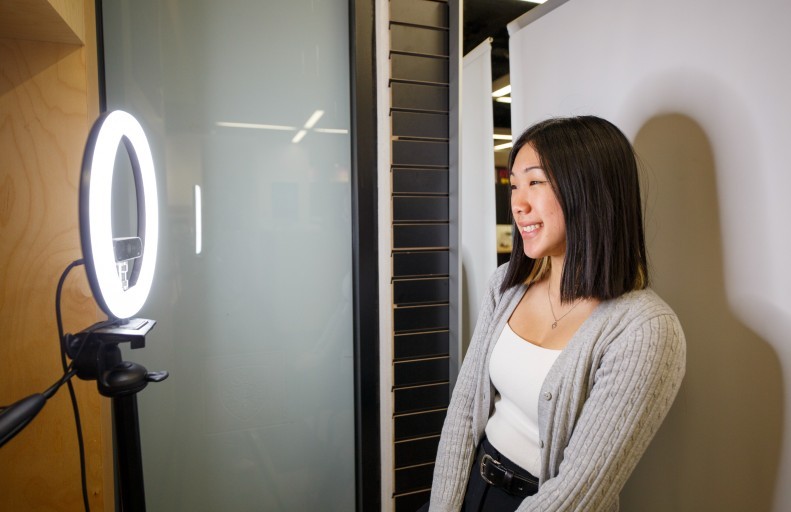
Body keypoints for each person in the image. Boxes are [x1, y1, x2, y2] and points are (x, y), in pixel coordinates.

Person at [424, 116, 686, 511]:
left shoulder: (644, 330)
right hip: (468, 490)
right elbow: (463, 416)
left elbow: (579, 492)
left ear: (589, 189)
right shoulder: (506, 286)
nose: (517, 203)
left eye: (534, 182)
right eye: (513, 185)